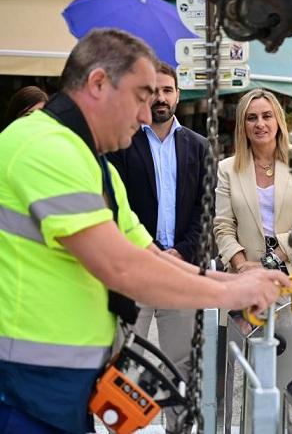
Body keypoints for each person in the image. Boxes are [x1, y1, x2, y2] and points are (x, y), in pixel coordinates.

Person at [0, 29, 289, 434]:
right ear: (99, 83)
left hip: (57, 384)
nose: (145, 113)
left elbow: (146, 254)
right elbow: (121, 268)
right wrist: (231, 292)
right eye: (140, 96)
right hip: (22, 383)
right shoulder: (45, 148)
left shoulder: (90, 161)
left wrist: (239, 277)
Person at [106, 62, 207, 433]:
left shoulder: (200, 147)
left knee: (179, 363)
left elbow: (205, 210)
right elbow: (114, 206)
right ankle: (123, 427)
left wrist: (182, 251)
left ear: (178, 95)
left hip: (179, 272)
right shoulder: (122, 145)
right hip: (135, 271)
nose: (161, 98)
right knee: (123, 359)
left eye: (168, 90)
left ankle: (176, 430)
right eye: (155, 91)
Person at [214, 89, 292, 294]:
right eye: (251, 118)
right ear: (243, 126)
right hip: (249, 281)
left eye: (267, 116)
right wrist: (242, 266)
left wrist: (269, 261)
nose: (260, 124)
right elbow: (223, 227)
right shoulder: (227, 169)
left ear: (278, 120)